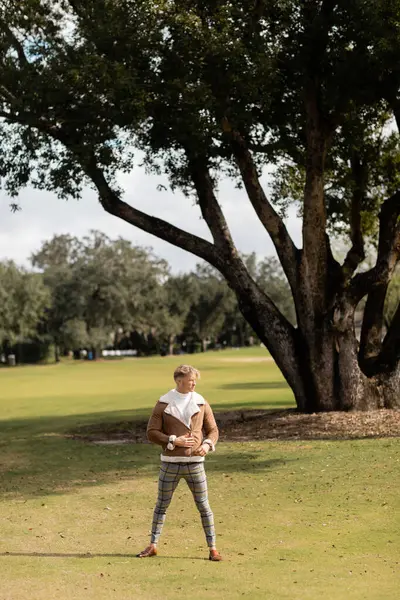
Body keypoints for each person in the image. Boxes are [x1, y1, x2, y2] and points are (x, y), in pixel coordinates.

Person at [137, 364, 222, 561]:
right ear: (179, 381)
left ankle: (213, 549)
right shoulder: (163, 403)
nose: (194, 383)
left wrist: (207, 445)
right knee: (161, 505)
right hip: (170, 464)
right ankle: (153, 545)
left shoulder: (201, 402)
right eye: (191, 380)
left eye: (195, 380)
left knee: (204, 506)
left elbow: (214, 430)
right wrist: (173, 440)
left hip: (195, 464)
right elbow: (151, 433)